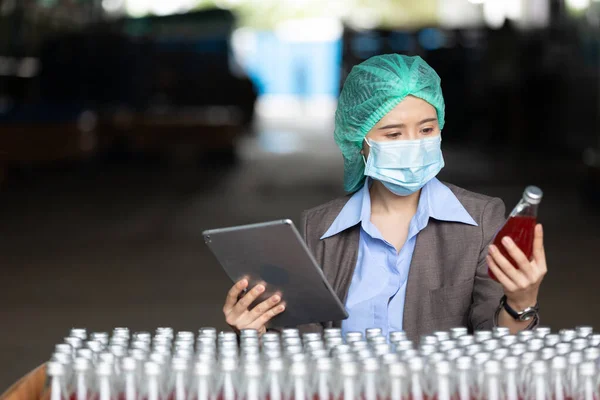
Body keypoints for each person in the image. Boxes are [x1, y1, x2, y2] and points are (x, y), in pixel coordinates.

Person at [221, 54, 546, 340]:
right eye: (393, 134)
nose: (414, 143)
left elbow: (497, 345)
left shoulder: (481, 220)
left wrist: (520, 302)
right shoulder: (318, 228)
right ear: (358, 140)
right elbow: (302, 344)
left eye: (426, 129)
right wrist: (256, 333)